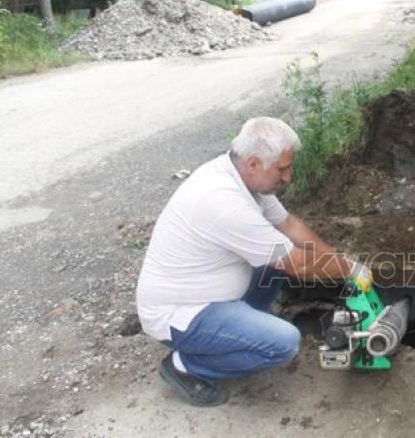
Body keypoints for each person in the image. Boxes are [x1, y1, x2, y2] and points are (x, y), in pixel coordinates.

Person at [136, 117, 372, 407]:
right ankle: (185, 365)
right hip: (181, 315)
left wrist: (337, 260)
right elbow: (297, 264)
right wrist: (352, 270)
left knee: (274, 264)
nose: (288, 177)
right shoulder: (222, 201)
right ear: (253, 164)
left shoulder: (245, 180)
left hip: (208, 291)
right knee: (283, 343)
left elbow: (289, 225)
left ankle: (241, 327)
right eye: (283, 169)